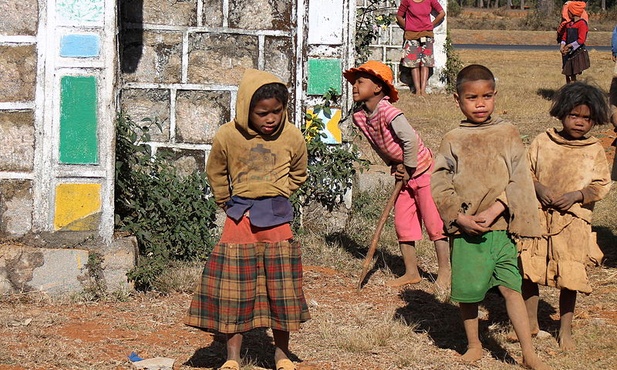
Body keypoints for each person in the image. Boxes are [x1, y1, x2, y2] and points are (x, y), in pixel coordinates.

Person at [185, 69, 310, 370]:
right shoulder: (228, 136)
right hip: (239, 220)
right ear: (246, 110)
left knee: (281, 289)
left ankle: (281, 354)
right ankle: (232, 357)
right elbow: (215, 171)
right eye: (262, 113)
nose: (270, 119)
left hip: (277, 220)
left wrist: (280, 192)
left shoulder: (292, 136)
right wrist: (226, 201)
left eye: (276, 112)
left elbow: (299, 172)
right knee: (234, 290)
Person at [431, 64, 551, 369]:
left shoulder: (507, 133)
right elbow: (439, 181)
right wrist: (459, 217)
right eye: (472, 97)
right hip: (468, 231)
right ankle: (474, 344)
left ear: (495, 95)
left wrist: (499, 207)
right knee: (469, 294)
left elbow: (520, 178)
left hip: (502, 230)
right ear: (457, 100)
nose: (480, 103)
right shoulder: (452, 138)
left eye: (486, 96)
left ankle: (528, 352)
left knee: (512, 288)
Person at [343, 60, 451, 290]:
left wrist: (408, 167)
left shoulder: (388, 111)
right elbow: (378, 144)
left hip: (422, 170)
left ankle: (445, 273)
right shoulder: (359, 117)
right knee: (403, 224)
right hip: (402, 173)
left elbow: (410, 140)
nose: (354, 86)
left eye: (360, 82)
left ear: (378, 88)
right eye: (354, 82)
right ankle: (411, 272)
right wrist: (395, 165)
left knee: (434, 224)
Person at [519, 82, 611, 351]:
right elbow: (525, 171)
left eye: (587, 118)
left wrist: (577, 196)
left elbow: (602, 184)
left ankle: (565, 330)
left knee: (570, 275)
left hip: (573, 224)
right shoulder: (542, 141)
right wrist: (538, 188)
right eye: (574, 115)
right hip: (538, 218)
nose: (580, 122)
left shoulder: (594, 149)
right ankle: (531, 323)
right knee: (530, 270)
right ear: (561, 114)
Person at [396, 0, 446, 96]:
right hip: (411, 36)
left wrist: (432, 25)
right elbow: (399, 16)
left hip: (426, 35)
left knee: (426, 63)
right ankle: (417, 90)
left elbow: (442, 13)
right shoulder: (407, 1)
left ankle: (423, 90)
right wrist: (407, 27)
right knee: (413, 63)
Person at [559, 1, 590, 84]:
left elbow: (581, 40)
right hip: (567, 52)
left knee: (573, 74)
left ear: (572, 12)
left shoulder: (582, 24)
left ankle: (574, 90)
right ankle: (568, 89)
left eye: (568, 11)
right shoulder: (568, 24)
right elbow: (564, 37)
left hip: (577, 52)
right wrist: (562, 46)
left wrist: (569, 46)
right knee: (567, 73)